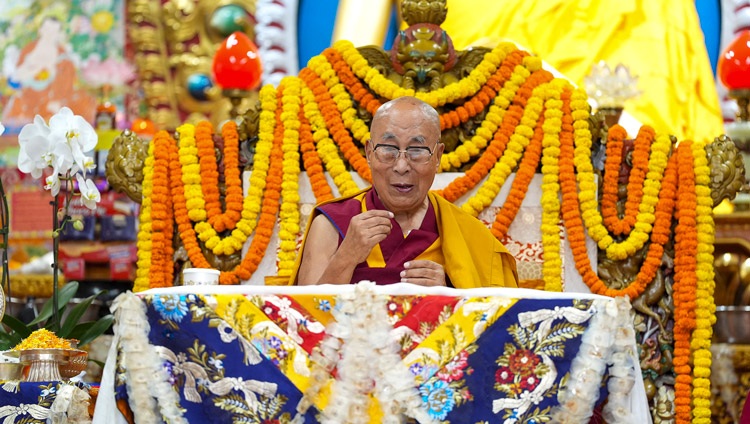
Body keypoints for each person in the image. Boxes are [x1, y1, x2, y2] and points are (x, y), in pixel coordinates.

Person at [290, 96, 518, 288]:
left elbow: (497, 322)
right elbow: (302, 318)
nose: (401, 166)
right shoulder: (331, 224)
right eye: (388, 149)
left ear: (438, 156)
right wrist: (347, 256)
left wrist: (449, 292)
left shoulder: (468, 234)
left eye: (417, 150)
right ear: (369, 153)